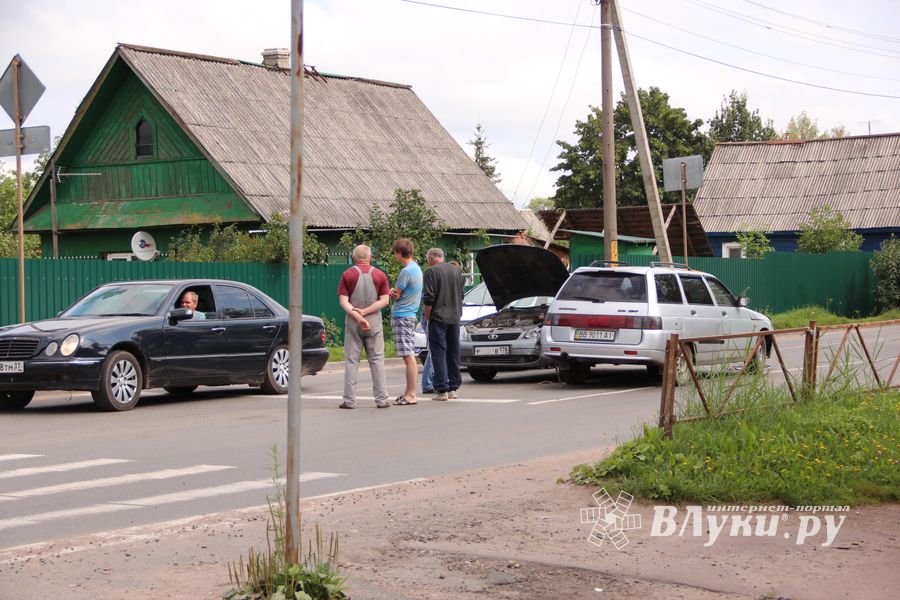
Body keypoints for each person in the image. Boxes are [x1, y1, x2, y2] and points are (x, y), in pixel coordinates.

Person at [337, 245, 391, 409]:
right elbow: (385, 301)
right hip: (374, 322)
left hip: (353, 322)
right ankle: (382, 400)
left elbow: (343, 302)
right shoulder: (380, 275)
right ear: (370, 258)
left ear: (354, 258)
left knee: (351, 361)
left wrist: (358, 316)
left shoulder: (348, 274)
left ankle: (349, 400)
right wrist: (366, 313)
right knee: (376, 360)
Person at [422, 247, 464, 401]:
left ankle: (442, 389)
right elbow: (461, 295)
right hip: (455, 317)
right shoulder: (456, 271)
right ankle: (453, 387)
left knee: (438, 352)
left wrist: (427, 317)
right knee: (453, 351)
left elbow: (429, 298)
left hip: (438, 318)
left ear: (431, 259)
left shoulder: (431, 272)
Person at [388, 239, 423, 406]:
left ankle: (411, 394)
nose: (395, 256)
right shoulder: (416, 268)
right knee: (409, 355)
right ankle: (409, 392)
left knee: (408, 356)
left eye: (395, 253)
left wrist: (386, 291)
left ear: (399, 253)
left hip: (402, 315)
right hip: (410, 315)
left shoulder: (406, 271)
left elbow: (396, 294)